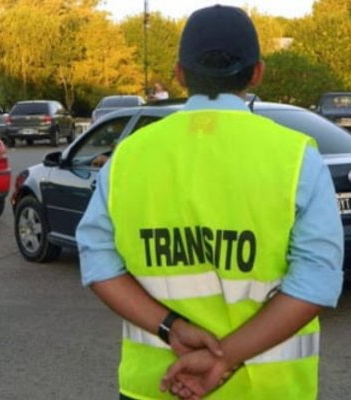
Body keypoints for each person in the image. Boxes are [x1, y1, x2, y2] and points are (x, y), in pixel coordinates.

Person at [76, 5, 343, 400]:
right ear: (257, 73)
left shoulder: (129, 157)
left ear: (180, 73)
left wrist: (171, 327)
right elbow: (317, 282)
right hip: (269, 390)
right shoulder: (296, 157)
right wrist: (225, 357)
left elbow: (98, 263)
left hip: (156, 385)